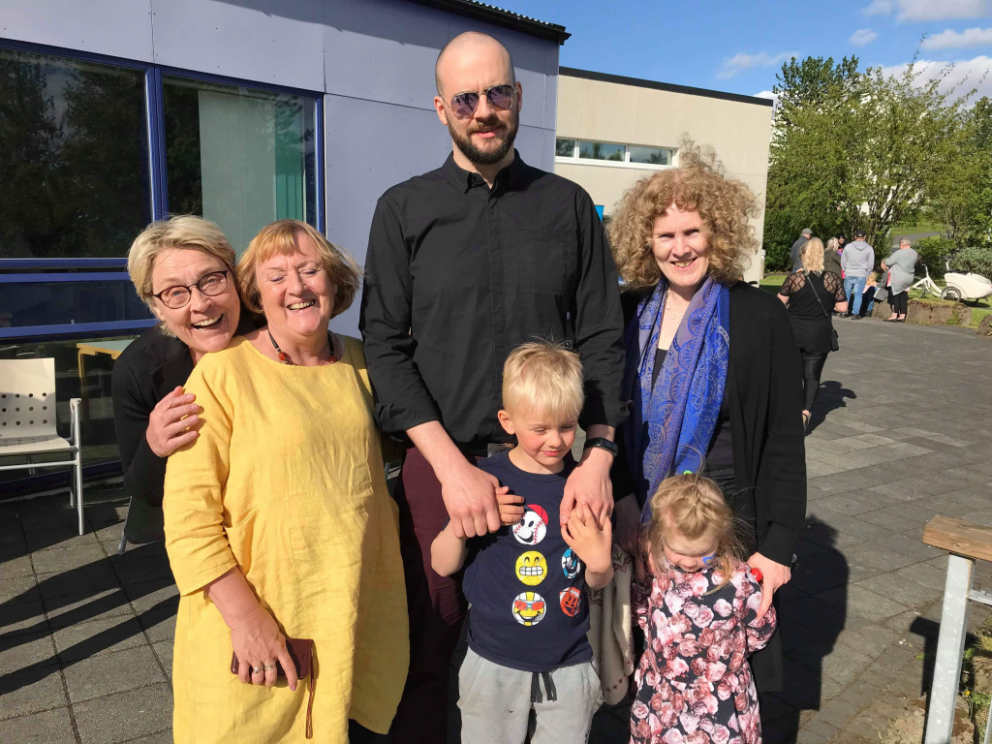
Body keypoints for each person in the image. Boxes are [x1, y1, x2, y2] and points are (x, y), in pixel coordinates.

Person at [360, 31, 626, 741]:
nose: (484, 110)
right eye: (466, 98)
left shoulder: (568, 205)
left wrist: (599, 456)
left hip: (551, 462)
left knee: (552, 629)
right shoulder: (403, 209)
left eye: (497, 92)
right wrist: (452, 470)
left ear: (518, 96)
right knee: (430, 642)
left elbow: (604, 337)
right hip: (442, 461)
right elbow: (384, 347)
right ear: (441, 107)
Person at [163, 220, 408, 743]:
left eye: (310, 270)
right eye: (275, 276)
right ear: (255, 293)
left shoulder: (364, 363)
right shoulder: (220, 374)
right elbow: (188, 524)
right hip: (258, 619)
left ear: (334, 281)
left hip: (353, 608)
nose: (296, 287)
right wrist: (247, 622)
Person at [608, 148, 806, 693]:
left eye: (692, 231)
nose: (681, 248)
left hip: (728, 532)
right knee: (650, 676)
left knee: (722, 684)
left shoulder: (759, 316)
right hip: (644, 526)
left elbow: (784, 438)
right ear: (646, 241)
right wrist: (621, 500)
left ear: (716, 231)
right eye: (665, 236)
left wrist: (779, 546)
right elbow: (611, 419)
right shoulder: (626, 312)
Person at [431, 342, 613, 744]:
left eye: (567, 426)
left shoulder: (584, 486)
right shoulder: (486, 480)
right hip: (492, 662)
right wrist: (464, 523)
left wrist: (600, 564)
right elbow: (442, 564)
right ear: (508, 421)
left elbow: (596, 580)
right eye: (540, 429)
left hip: (569, 660)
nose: (556, 441)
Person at [112, 216, 254, 544]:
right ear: (157, 307)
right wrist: (154, 446)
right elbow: (142, 490)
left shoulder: (274, 332)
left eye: (212, 280)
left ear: (234, 277)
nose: (201, 304)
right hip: (198, 529)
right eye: (176, 293)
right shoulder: (138, 370)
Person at [630, 473, 776, 744]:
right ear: (660, 537)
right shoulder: (657, 568)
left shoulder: (738, 580)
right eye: (679, 552)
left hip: (718, 699)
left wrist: (732, 658)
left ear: (720, 537)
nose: (689, 562)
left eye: (702, 553)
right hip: (664, 695)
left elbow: (760, 625)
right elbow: (644, 612)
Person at [777, 239, 848, 430]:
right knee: (812, 375)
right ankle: (805, 412)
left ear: (803, 257)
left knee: (791, 373)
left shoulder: (795, 279)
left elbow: (779, 304)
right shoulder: (832, 279)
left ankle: (788, 410)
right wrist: (829, 304)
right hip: (819, 333)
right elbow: (842, 307)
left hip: (793, 332)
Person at [882, 238, 918, 322]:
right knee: (903, 296)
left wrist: (884, 261)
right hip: (909, 277)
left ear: (901, 244)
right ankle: (902, 315)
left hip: (898, 277)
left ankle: (894, 315)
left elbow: (889, 262)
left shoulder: (899, 253)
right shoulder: (914, 253)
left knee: (895, 295)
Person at [841, 229, 875, 317]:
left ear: (855, 236)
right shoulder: (869, 249)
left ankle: (844, 312)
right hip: (861, 274)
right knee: (858, 294)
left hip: (849, 272)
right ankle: (855, 313)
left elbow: (843, 260)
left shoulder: (848, 247)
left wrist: (845, 270)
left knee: (847, 293)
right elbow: (871, 263)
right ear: (865, 237)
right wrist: (867, 273)